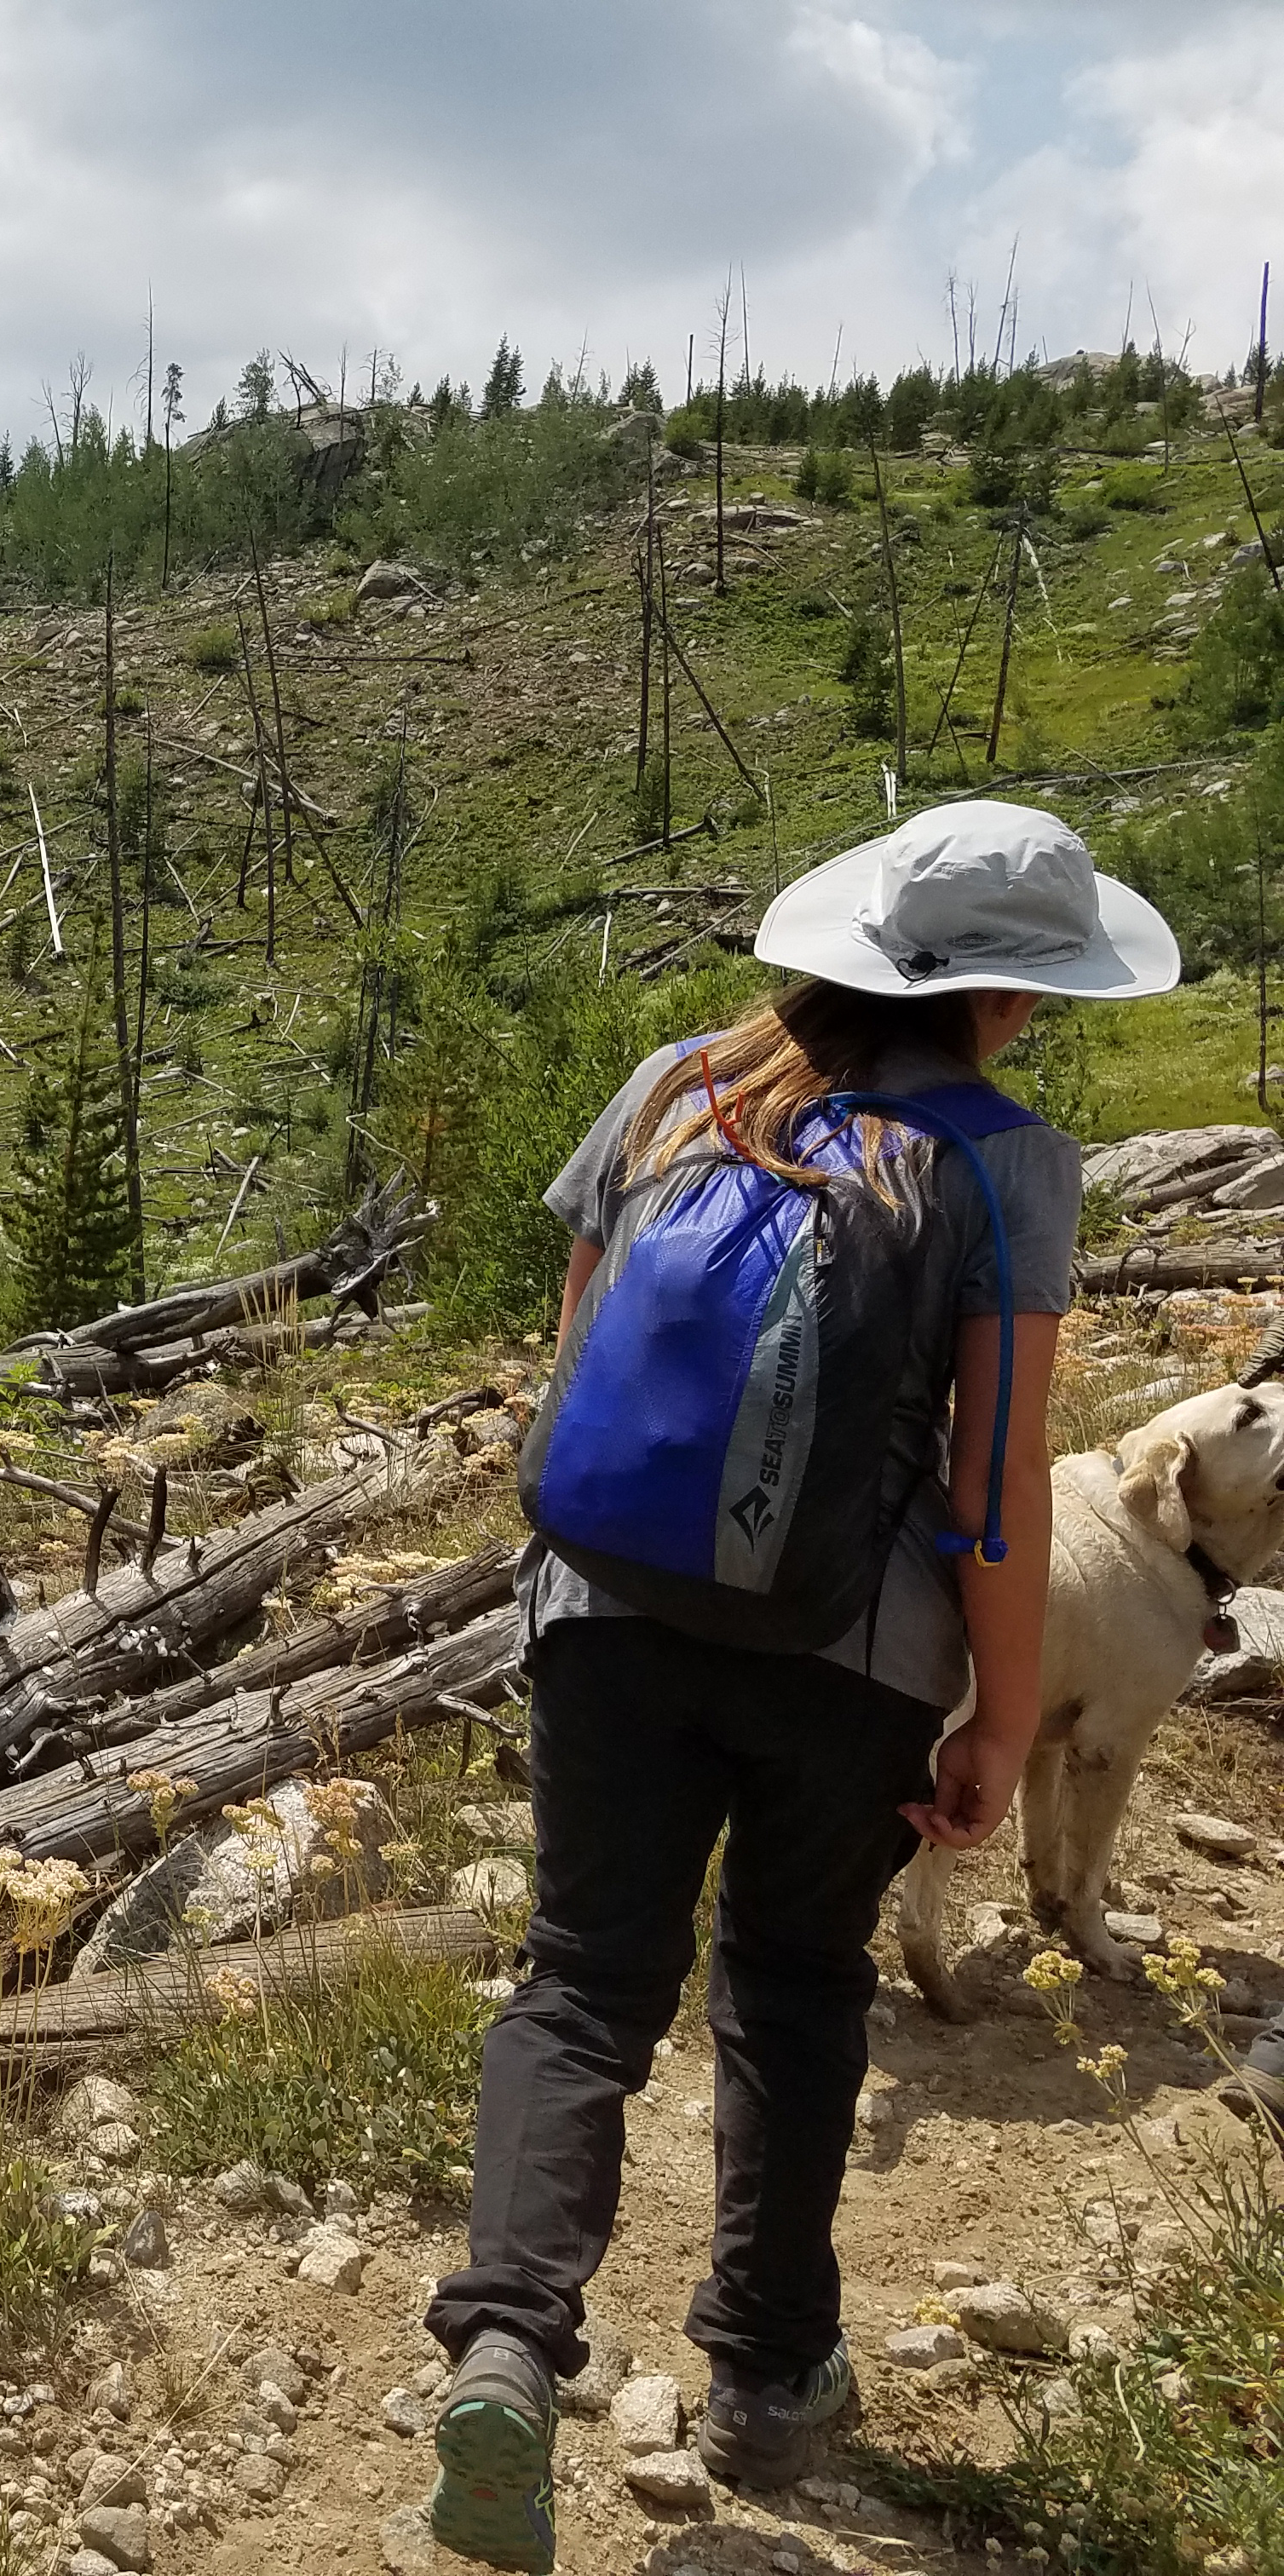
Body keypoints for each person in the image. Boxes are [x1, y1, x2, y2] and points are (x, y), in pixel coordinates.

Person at [417, 801, 1181, 2573]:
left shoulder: (681, 1082)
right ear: (1003, 999)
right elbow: (996, 1492)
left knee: (583, 1986)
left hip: (602, 1609)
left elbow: (577, 1354)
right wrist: (999, 1720)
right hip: (855, 1653)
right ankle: (765, 2372)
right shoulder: (1008, 1162)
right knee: (792, 1977)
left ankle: (513, 2350)